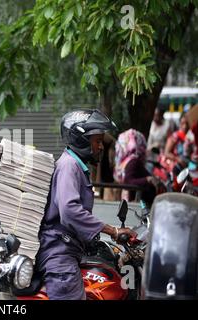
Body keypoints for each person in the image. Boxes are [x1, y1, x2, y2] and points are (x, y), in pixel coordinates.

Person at [36, 109, 136, 300]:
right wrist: (112, 231)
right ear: (81, 140)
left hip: (68, 251)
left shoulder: (76, 166)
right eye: (97, 141)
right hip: (60, 258)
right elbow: (70, 211)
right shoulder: (69, 166)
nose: (100, 147)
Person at [114, 129, 158, 206]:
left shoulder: (126, 161)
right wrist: (147, 179)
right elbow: (128, 181)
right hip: (137, 206)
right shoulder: (133, 161)